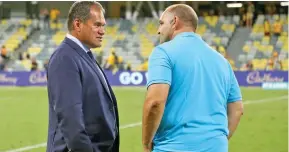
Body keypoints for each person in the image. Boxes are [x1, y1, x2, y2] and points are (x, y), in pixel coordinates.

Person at [142, 4, 243, 152]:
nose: (158, 30)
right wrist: (216, 140)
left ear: (174, 22)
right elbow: (237, 109)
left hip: (173, 147)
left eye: (161, 23)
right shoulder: (222, 61)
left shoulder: (163, 52)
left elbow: (155, 102)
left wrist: (146, 144)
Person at [46, 2, 119, 152]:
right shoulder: (65, 58)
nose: (102, 31)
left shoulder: (83, 54)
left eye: (103, 25)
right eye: (97, 25)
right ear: (78, 24)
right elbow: (71, 120)